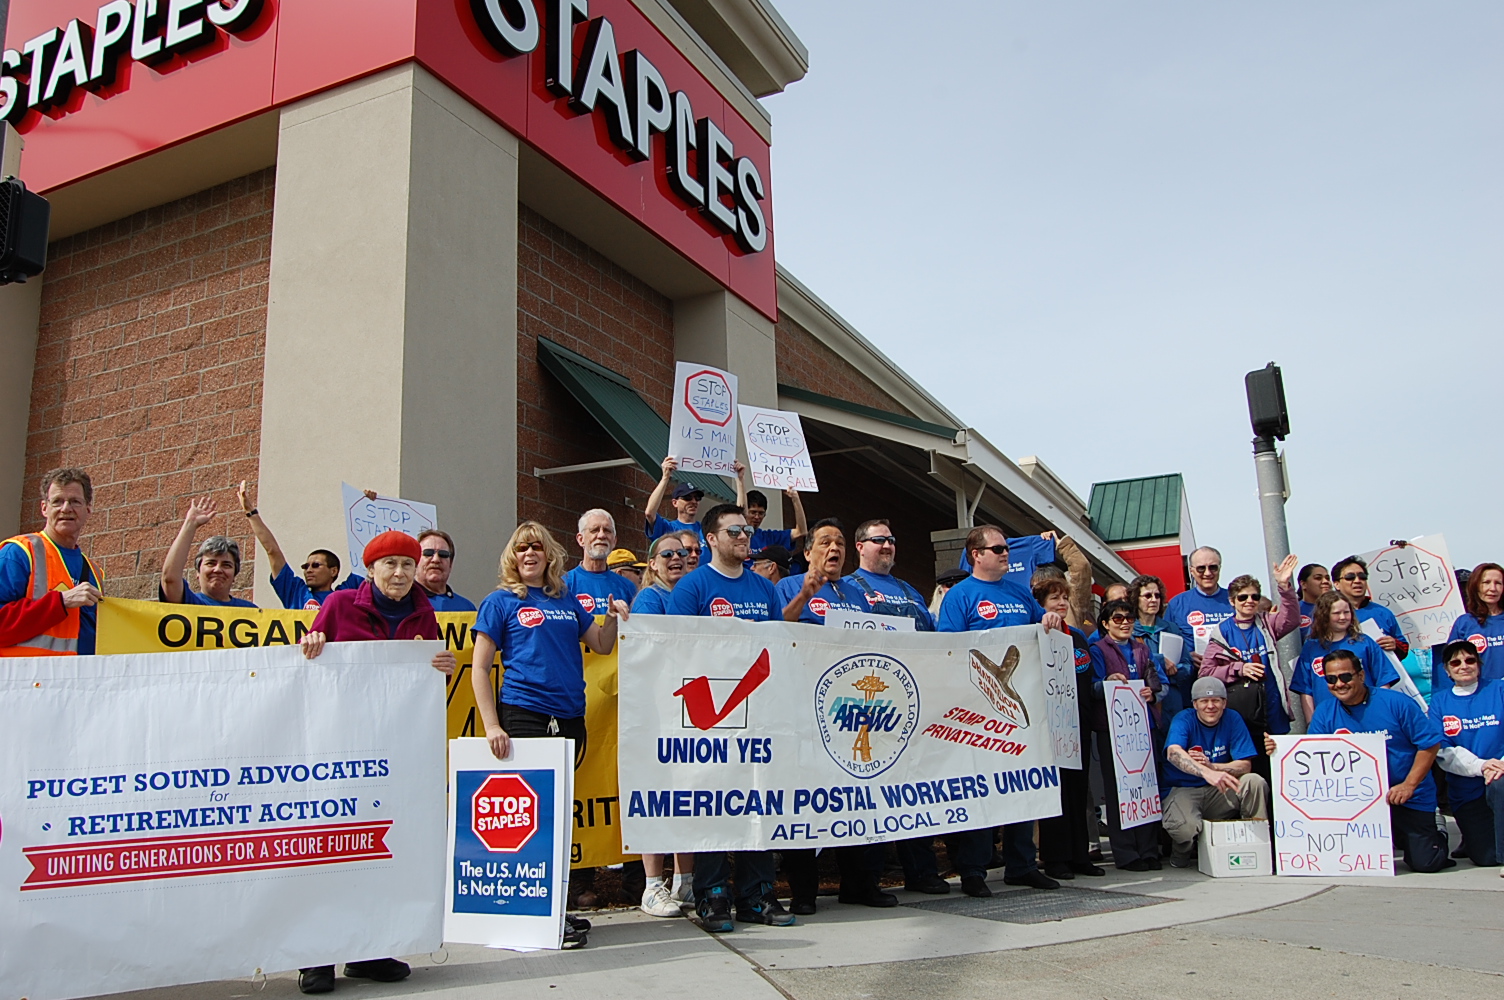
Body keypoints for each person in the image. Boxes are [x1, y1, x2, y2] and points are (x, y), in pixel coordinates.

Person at [296, 531, 456, 993]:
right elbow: (310, 662)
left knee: (381, 850)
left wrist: (440, 668)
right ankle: (317, 957)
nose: (401, 574)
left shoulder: (423, 614)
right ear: (371, 570)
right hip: (339, 751)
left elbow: (421, 686)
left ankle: (369, 951)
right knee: (329, 851)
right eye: (391, 565)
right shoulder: (340, 606)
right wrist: (312, 645)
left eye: (408, 565)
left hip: (392, 754)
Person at [667, 503, 825, 931]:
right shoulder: (692, 587)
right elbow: (676, 651)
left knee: (759, 802)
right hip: (714, 720)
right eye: (732, 530)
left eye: (745, 530)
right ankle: (713, 896)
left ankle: (757, 894)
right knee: (716, 806)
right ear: (711, 539)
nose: (743, 536)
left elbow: (778, 641)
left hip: (760, 715)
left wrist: (802, 596)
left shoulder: (762, 587)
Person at [469, 521, 627, 944]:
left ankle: (554, 908)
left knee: (556, 816)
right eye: (522, 549)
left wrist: (611, 617)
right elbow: (480, 669)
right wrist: (492, 725)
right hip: (524, 713)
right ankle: (533, 914)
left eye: (537, 547)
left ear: (549, 554)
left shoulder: (565, 598)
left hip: (571, 717)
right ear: (512, 556)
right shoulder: (499, 602)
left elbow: (601, 644)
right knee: (530, 817)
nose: (529, 554)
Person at [938, 524, 1067, 896]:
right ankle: (974, 870)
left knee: (1021, 786)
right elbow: (950, 648)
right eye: (997, 549)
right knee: (982, 789)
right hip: (980, 709)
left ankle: (1022, 864)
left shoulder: (1019, 593)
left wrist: (1046, 622)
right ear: (976, 554)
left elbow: (1038, 638)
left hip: (1022, 708)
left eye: (1007, 548)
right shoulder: (960, 596)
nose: (1005, 553)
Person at [1267, 648, 1453, 873]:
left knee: (1426, 863)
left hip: (1406, 798)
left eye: (1346, 677)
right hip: (1357, 803)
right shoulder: (1325, 711)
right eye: (1331, 679)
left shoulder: (1397, 703)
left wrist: (1409, 785)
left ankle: (1437, 830)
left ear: (1361, 675)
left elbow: (1430, 744)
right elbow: (1311, 755)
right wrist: (1279, 750)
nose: (1339, 684)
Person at [628, 534, 697, 914]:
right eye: (667, 554)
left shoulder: (690, 593)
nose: (676, 558)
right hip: (657, 709)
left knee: (685, 796)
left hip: (690, 710)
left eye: (683, 554)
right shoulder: (650, 599)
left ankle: (684, 881)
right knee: (655, 796)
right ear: (652, 563)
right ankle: (653, 884)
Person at [1197, 557, 1301, 784]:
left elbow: (1292, 618)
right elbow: (1206, 674)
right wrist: (1239, 668)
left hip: (1272, 708)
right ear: (1232, 601)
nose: (1249, 601)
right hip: (1243, 713)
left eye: (1254, 596)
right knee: (1251, 770)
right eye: (1243, 597)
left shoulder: (1266, 623)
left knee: (1278, 771)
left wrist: (1284, 586)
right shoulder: (1222, 631)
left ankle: (1278, 818)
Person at [1032, 571, 1105, 881]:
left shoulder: (1077, 637)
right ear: (1041, 604)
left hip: (1078, 725)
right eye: (1054, 598)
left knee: (1078, 790)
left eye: (1064, 597)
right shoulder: (1036, 635)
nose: (1061, 603)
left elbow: (1087, 680)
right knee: (1056, 793)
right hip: (1050, 728)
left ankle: (1079, 855)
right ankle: (1055, 857)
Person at [1089, 598, 1168, 870]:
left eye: (1129, 618)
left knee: (1144, 788)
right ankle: (1126, 854)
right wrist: (1106, 682)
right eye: (1118, 618)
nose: (1125, 623)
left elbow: (1157, 683)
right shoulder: (1097, 649)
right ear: (1106, 623)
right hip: (1112, 729)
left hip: (1141, 728)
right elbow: (1091, 688)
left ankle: (1148, 850)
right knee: (1118, 791)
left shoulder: (1141, 648)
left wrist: (1152, 690)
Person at [1162, 677, 1269, 867]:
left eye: (1216, 700)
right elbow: (1173, 752)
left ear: (1224, 703)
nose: (1210, 706)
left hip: (1218, 791)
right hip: (1184, 789)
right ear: (1195, 704)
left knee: (1254, 781)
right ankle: (1181, 851)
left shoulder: (1232, 718)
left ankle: (1255, 844)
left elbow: (1245, 765)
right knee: (1186, 828)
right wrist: (1205, 772)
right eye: (1204, 701)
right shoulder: (1184, 719)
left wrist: (1214, 767)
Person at [0, 468, 103, 656]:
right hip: (23, 681)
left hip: (75, 682)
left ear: (88, 509)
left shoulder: (94, 572)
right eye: (57, 501)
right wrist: (61, 602)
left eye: (74, 501)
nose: (66, 508)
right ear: (44, 508)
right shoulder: (19, 553)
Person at [1429, 639, 1504, 869]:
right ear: (1447, 670)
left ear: (1479, 663)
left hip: (1500, 777)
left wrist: (1501, 765)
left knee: (1500, 785)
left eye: (1470, 660)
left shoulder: (1499, 689)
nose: (1464, 666)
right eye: (1456, 662)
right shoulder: (1440, 702)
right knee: (1486, 857)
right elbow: (1443, 751)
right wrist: (1481, 766)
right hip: (1467, 790)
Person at [238, 481, 356, 609]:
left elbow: (367, 558)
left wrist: (372, 503)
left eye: (316, 565)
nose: (308, 570)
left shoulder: (346, 594)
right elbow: (272, 550)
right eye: (305, 566)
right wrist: (251, 513)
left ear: (333, 571)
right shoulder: (296, 593)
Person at [1289, 591, 1399, 721]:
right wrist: (1311, 722)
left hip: (1366, 715)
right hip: (1329, 719)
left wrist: (1379, 711)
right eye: (1336, 613)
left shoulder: (1364, 643)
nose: (1343, 617)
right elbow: (1305, 690)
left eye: (1347, 612)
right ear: (1324, 616)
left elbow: (1383, 680)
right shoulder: (1311, 648)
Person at [1166, 546, 1234, 709]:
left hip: (1230, 680)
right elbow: (1168, 645)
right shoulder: (1177, 603)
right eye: (1201, 568)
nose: (1208, 573)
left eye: (1213, 567)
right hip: (1191, 681)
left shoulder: (1235, 599)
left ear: (1220, 568)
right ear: (1191, 570)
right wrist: (1186, 656)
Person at [159, 497, 256, 608]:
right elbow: (170, 579)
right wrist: (190, 525)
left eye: (226, 565)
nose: (218, 569)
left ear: (234, 575)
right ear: (198, 572)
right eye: (211, 563)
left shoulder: (250, 611)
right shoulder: (189, 603)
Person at [776, 519, 855, 622]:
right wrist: (803, 597)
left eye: (840, 543)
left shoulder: (857, 594)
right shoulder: (788, 586)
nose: (834, 548)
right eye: (825, 543)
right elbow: (777, 628)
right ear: (808, 553)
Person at [1330, 555, 1409, 658]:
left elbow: (1404, 648)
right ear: (1336, 584)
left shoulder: (1383, 612)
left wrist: (1394, 644)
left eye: (1362, 576)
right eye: (1350, 577)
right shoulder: (1327, 614)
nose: (1357, 581)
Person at [1128, 574, 1182, 718]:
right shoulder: (1128, 630)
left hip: (1172, 701)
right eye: (1147, 596)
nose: (1153, 600)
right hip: (1141, 698)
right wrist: (1161, 661)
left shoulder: (1172, 628)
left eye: (1157, 596)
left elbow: (1188, 667)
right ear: (1135, 599)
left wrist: (1175, 669)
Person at [564, 509, 638, 613]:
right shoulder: (564, 584)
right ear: (581, 539)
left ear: (614, 541)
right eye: (594, 530)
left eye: (607, 530)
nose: (601, 535)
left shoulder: (628, 588)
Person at [1447, 563, 1504, 682]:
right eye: (1486, 582)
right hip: (1478, 693)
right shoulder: (1464, 623)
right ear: (1475, 586)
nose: (1492, 588)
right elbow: (1453, 663)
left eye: (1498, 583)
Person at [413, 529, 476, 611]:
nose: (436, 559)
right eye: (428, 553)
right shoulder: (401, 604)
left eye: (443, 554)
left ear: (451, 564)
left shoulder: (466, 608)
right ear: (415, 562)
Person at [740, 485, 809, 553]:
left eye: (761, 513)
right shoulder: (735, 535)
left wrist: (795, 498)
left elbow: (801, 531)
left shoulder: (769, 537)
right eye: (753, 512)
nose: (757, 517)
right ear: (745, 512)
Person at [1297, 563, 1332, 639]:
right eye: (1318, 578)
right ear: (1303, 584)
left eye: (1327, 578)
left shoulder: (1339, 608)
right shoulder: (1295, 610)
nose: (1325, 581)